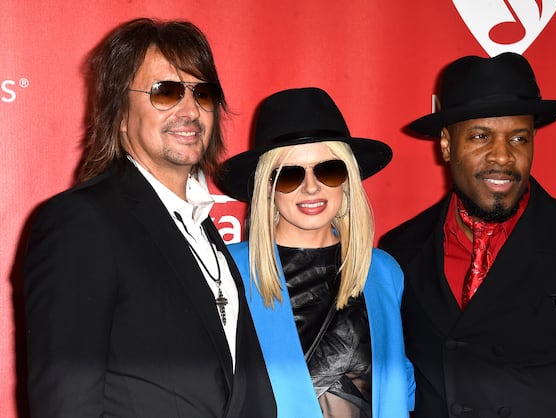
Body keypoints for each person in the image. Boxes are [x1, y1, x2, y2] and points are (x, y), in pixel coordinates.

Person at [23, 18, 276, 418]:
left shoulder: (203, 230)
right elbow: (65, 403)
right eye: (167, 92)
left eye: (202, 93)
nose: (191, 109)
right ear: (119, 109)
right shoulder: (82, 222)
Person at [379, 52, 556, 418]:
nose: (502, 157)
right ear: (447, 144)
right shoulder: (399, 251)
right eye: (481, 137)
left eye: (519, 139)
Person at [218, 87, 415, 418]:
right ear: (267, 186)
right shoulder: (227, 271)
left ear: (347, 179)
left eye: (328, 170)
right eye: (290, 175)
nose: (311, 187)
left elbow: (401, 389)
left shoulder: (382, 272)